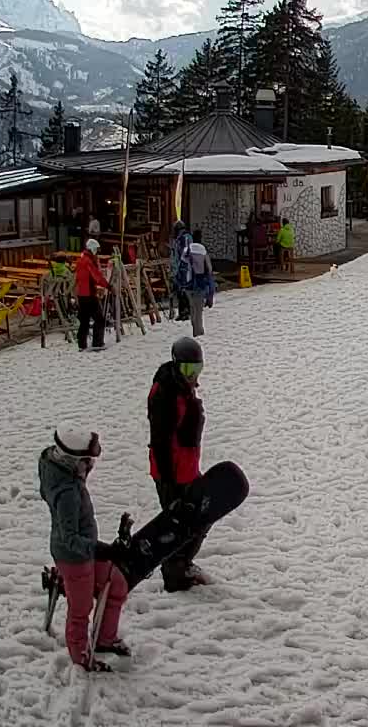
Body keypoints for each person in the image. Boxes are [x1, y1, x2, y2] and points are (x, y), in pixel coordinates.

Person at [37, 429, 131, 671]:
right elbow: (70, 538)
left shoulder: (56, 468)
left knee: (117, 585)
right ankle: (81, 657)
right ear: (71, 460)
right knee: (80, 610)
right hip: (75, 558)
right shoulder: (67, 493)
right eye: (86, 461)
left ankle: (104, 640)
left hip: (85, 551)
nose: (91, 465)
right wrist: (105, 550)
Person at [149, 336, 212, 591]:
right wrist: (169, 483)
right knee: (180, 524)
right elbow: (161, 442)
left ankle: (183, 564)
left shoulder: (182, 387)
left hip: (187, 469)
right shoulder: (165, 393)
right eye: (188, 370)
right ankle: (175, 574)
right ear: (176, 366)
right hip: (172, 474)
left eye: (197, 370)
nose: (192, 376)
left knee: (200, 518)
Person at [74, 240, 109, 352]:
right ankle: (97, 343)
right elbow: (96, 276)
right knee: (99, 319)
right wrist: (108, 285)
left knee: (84, 321)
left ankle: (81, 344)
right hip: (89, 294)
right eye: (97, 250)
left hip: (81, 294)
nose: (97, 253)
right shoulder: (88, 261)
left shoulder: (80, 260)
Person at [185, 231, 215, 337]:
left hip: (188, 283)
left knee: (193, 306)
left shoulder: (186, 249)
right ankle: (198, 332)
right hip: (200, 282)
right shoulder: (202, 250)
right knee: (198, 309)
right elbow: (209, 269)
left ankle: (195, 326)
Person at [169, 222, 194, 321]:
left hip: (184, 267)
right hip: (179, 267)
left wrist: (180, 266)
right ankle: (182, 312)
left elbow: (186, 253)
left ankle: (186, 312)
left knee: (183, 289)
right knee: (180, 290)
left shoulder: (185, 238)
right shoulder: (179, 238)